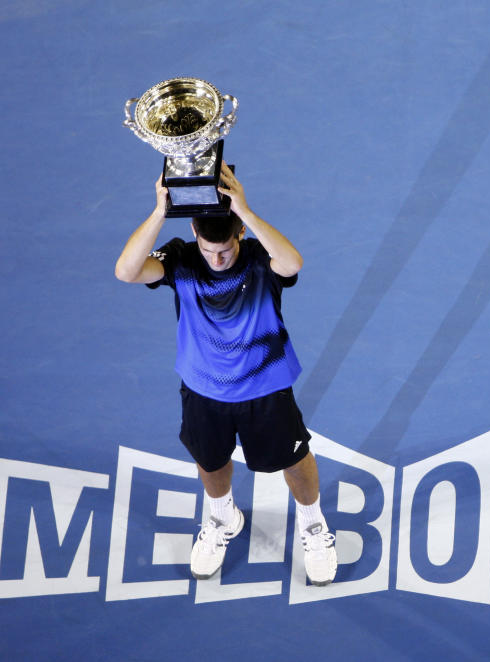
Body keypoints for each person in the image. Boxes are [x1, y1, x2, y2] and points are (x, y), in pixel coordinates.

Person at [114, 162, 337, 585]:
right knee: (210, 460)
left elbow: (292, 263)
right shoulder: (180, 258)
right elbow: (126, 271)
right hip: (203, 389)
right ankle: (221, 518)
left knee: (294, 459)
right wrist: (161, 210)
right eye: (207, 249)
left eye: (226, 249)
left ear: (240, 236)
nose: (216, 259)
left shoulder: (258, 259)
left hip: (265, 389)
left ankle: (312, 525)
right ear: (194, 235)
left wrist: (247, 212)